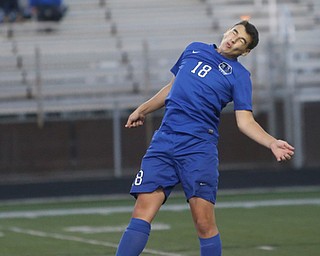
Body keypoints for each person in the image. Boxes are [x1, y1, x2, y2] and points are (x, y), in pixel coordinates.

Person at [115, 20, 295, 256]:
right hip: (165, 140)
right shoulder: (194, 49)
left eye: (241, 41)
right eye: (234, 32)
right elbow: (172, 87)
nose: (234, 39)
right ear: (227, 30)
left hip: (198, 147)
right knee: (141, 213)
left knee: (204, 223)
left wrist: (271, 142)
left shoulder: (239, 76)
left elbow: (245, 121)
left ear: (245, 51)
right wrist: (143, 108)